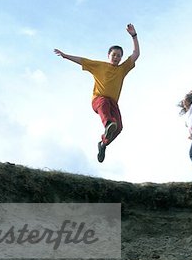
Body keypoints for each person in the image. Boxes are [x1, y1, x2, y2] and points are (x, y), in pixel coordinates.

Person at [54, 24, 140, 163]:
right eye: (114, 55)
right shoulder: (99, 66)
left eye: (119, 56)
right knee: (106, 109)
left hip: (113, 103)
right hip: (99, 100)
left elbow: (136, 54)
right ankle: (108, 124)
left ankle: (103, 144)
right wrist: (65, 56)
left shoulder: (122, 69)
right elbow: (82, 60)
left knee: (119, 128)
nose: (116, 58)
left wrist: (134, 36)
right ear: (108, 56)